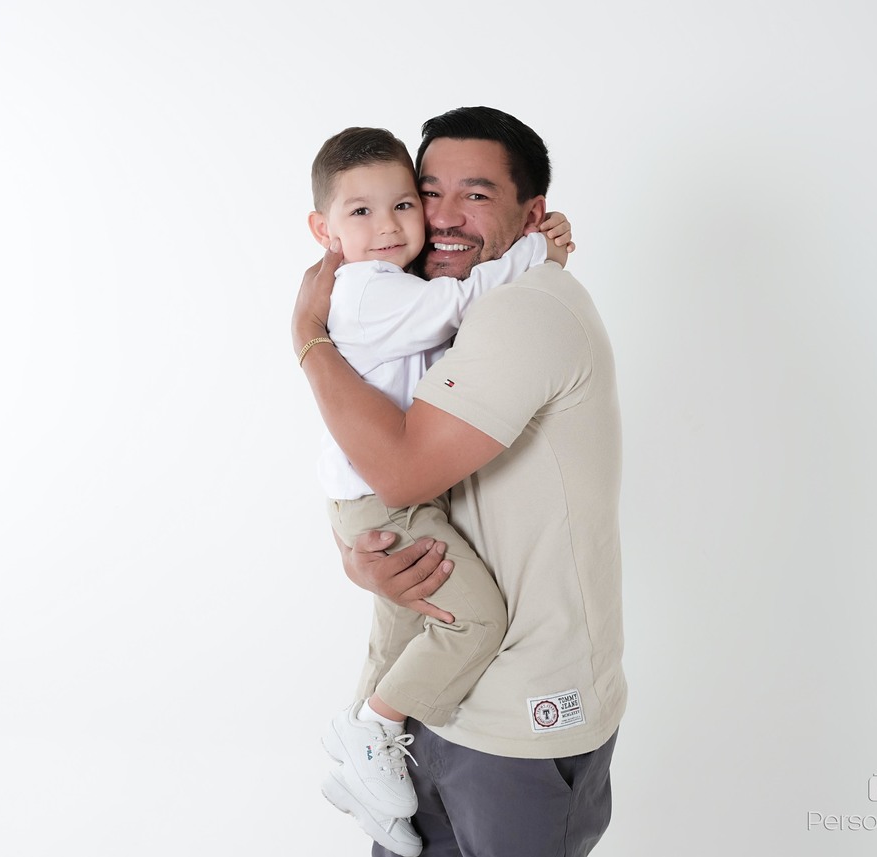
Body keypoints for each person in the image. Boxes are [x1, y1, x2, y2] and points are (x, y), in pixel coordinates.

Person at [292, 106, 626, 857]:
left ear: (531, 214)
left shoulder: (522, 308)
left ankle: (366, 726)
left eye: (474, 195)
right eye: (427, 193)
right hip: (433, 704)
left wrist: (307, 337)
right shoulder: (423, 301)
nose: (439, 218)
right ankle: (367, 729)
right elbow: (374, 462)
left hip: (515, 718)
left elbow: (399, 470)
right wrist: (360, 556)